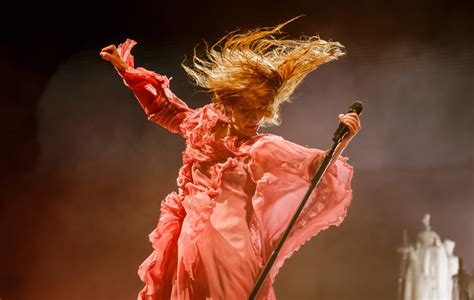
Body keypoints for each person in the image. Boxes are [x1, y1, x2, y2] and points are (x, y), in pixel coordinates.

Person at [100, 18, 361, 300]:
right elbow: (163, 108)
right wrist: (126, 70)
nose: (257, 118)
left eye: (262, 110)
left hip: (230, 249)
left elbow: (316, 166)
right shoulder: (202, 124)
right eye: (249, 110)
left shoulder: (260, 147)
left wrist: (342, 140)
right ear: (229, 103)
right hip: (191, 243)